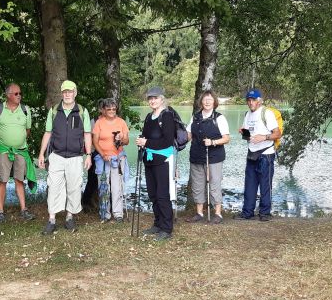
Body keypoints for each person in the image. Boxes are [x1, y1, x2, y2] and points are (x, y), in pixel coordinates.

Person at [37, 80, 92, 234]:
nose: (68, 94)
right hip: (56, 156)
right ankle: (52, 219)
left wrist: (88, 155)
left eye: (70, 91)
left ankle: (69, 218)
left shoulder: (82, 111)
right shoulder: (54, 111)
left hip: (75, 157)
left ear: (75, 93)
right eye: (65, 92)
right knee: (54, 186)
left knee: (74, 187)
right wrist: (41, 154)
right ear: (62, 93)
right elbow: (48, 133)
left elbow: (87, 134)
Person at [0, 83, 36, 222]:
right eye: (16, 94)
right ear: (8, 95)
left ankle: (24, 209)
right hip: (2, 149)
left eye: (20, 93)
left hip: (21, 150)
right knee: (2, 179)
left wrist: (17, 141)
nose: (19, 96)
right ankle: (0, 212)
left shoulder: (26, 110)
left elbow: (27, 130)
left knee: (19, 179)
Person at [135, 87, 176, 241]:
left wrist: (147, 142)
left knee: (162, 195)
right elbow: (146, 136)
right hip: (150, 159)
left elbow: (167, 141)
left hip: (163, 160)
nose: (152, 101)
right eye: (150, 98)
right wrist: (141, 141)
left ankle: (166, 228)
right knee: (153, 194)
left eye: (155, 98)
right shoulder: (148, 117)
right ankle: (157, 223)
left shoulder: (167, 116)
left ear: (162, 99)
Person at [235, 89, 281, 221]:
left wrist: (264, 137)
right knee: (249, 184)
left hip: (266, 154)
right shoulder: (247, 114)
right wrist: (243, 133)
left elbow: (277, 134)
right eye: (248, 100)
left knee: (265, 184)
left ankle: (264, 213)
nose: (251, 102)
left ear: (259, 101)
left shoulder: (267, 113)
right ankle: (247, 212)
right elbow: (249, 136)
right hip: (251, 153)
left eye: (253, 100)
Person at [186, 91, 230, 224]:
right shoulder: (195, 117)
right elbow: (189, 135)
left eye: (210, 99)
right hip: (196, 155)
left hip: (214, 157)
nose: (207, 102)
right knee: (198, 184)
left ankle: (217, 213)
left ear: (214, 102)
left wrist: (213, 142)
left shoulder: (219, 118)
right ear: (201, 101)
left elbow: (226, 138)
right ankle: (199, 212)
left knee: (214, 184)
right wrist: (178, 141)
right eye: (205, 99)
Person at [91, 98, 129, 223]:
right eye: (109, 109)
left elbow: (127, 141)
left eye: (114, 109)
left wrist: (121, 139)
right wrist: (102, 155)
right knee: (103, 186)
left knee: (117, 186)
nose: (112, 111)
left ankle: (118, 213)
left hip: (118, 158)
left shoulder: (121, 122)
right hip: (102, 159)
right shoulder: (99, 123)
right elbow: (95, 142)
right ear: (104, 110)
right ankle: (104, 213)